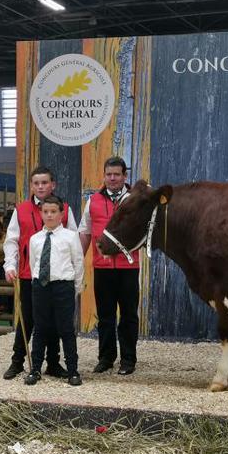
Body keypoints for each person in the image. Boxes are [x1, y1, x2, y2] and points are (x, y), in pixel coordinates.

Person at [2, 165, 78, 380]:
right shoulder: (21, 209)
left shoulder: (64, 208)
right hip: (29, 275)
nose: (40, 186)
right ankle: (18, 361)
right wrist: (10, 265)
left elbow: (72, 240)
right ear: (32, 186)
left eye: (44, 182)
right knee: (26, 319)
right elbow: (11, 241)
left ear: (52, 184)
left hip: (56, 276)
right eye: (36, 183)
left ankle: (53, 363)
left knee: (54, 321)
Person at [78, 156, 139, 375]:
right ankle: (106, 358)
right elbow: (84, 231)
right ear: (104, 176)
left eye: (117, 174)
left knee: (129, 315)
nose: (112, 178)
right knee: (105, 315)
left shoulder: (135, 199)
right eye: (109, 174)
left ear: (125, 176)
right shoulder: (93, 200)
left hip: (128, 267)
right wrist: (77, 261)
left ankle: (128, 360)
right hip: (102, 267)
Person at [24, 196, 84, 386]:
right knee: (40, 328)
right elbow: (34, 262)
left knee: (66, 328)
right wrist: (38, 281)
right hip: (40, 286)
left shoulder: (71, 236)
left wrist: (75, 288)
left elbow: (78, 263)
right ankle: (35, 369)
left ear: (61, 214)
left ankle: (73, 370)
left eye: (53, 212)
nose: (49, 215)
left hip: (63, 286)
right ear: (41, 213)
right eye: (46, 212)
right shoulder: (35, 239)